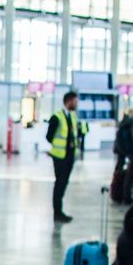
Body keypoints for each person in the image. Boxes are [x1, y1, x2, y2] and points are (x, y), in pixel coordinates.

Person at [47, 91, 79, 223]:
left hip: (70, 156)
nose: (77, 104)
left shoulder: (72, 116)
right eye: (75, 101)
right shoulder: (57, 117)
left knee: (64, 183)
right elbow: (49, 136)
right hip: (60, 156)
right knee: (59, 183)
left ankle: (60, 211)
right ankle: (57, 212)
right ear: (69, 101)